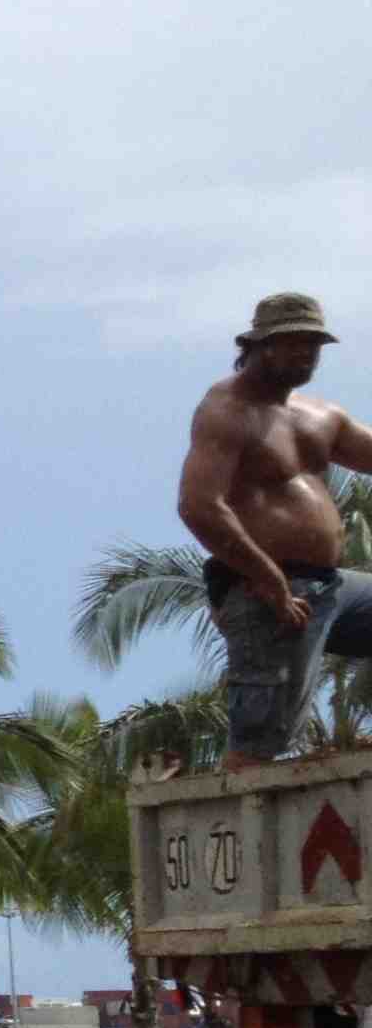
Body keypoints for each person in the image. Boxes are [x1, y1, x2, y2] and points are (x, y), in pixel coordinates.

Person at [177, 293, 372, 763]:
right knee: (264, 742)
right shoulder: (227, 410)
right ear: (260, 345)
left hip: (329, 586)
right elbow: (199, 506)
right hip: (264, 589)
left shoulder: (320, 415)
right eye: (293, 343)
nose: (306, 353)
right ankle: (243, 828)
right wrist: (271, 582)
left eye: (314, 343)